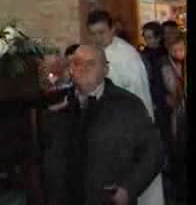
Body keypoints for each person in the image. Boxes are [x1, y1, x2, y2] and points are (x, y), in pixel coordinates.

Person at [41, 45, 163, 205]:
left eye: (90, 63)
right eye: (77, 63)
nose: (82, 68)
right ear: (70, 68)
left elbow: (153, 152)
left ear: (105, 69)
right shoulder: (58, 106)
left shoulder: (127, 105)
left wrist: (127, 189)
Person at [87, 10, 163, 205]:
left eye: (102, 32)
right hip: (120, 126)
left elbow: (132, 93)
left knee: (137, 185)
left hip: (133, 127)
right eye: (93, 33)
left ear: (113, 29)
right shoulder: (102, 53)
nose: (97, 38)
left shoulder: (125, 55)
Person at [160, 34, 186, 202]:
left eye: (182, 49)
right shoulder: (164, 65)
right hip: (175, 115)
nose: (179, 53)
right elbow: (162, 88)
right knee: (178, 151)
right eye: (175, 50)